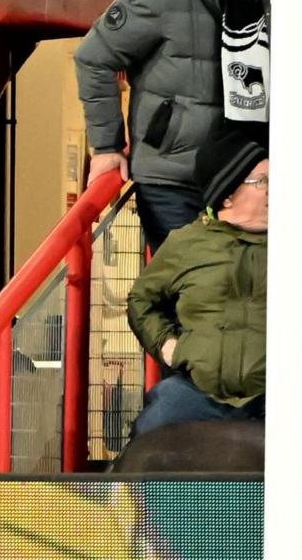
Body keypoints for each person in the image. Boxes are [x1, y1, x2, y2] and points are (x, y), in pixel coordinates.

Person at [76, 0, 273, 246]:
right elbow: (93, 58)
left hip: (247, 177)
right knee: (187, 291)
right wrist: (106, 147)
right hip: (172, 178)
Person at [121, 128, 286, 433]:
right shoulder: (187, 244)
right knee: (150, 433)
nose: (273, 189)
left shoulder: (301, 242)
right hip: (199, 391)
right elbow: (140, 300)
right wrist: (166, 344)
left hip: (282, 392)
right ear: (227, 196)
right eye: (262, 181)